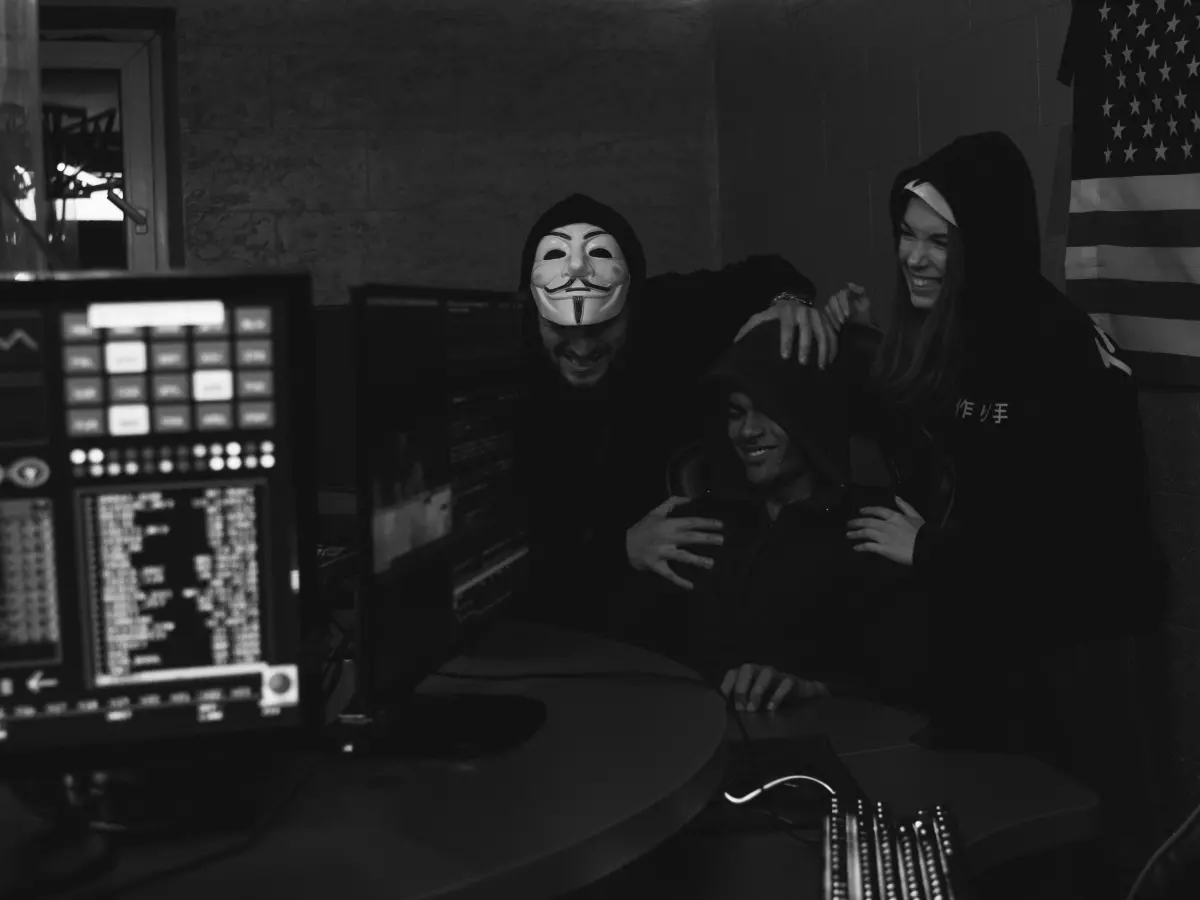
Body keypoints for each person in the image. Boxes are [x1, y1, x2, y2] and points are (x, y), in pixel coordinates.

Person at [826, 132, 1167, 806]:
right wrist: (833, 326)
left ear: (985, 241)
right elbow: (928, 425)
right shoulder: (965, 327)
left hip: (1079, 654)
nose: (913, 258)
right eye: (906, 234)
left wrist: (926, 548)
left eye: (939, 242)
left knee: (1072, 836)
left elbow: (1065, 543)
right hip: (1001, 645)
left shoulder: (1051, 345)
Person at [509, 193, 845, 635]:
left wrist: (786, 302)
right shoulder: (507, 381)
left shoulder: (669, 312)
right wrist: (621, 549)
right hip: (574, 607)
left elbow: (770, 274)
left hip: (685, 594)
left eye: (602, 326)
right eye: (561, 328)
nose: (584, 347)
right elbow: (520, 559)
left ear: (633, 302)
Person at [608, 317, 934, 713]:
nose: (747, 431)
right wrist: (622, 552)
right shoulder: (693, 524)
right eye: (736, 412)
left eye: (768, 410)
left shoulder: (875, 527)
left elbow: (908, 681)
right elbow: (630, 665)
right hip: (700, 745)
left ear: (808, 414)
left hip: (836, 747)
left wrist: (813, 689)